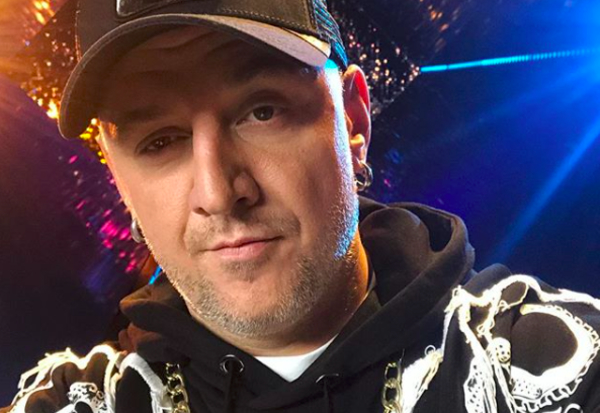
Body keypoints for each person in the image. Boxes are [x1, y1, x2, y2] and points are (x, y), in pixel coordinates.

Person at [4, 0, 600, 412]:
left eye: (261, 110)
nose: (219, 193)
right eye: (160, 142)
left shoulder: (550, 365)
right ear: (121, 184)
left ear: (354, 122)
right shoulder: (80, 402)